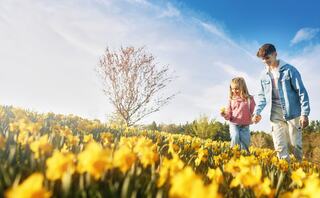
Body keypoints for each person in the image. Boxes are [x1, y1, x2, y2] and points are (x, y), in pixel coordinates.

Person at [252, 43, 310, 161]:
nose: (265, 61)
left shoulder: (290, 70)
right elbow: (262, 96)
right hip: (275, 115)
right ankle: (286, 174)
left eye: (267, 58)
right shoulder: (263, 75)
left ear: (275, 54)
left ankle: (299, 170)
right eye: (263, 59)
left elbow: (302, 92)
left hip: (293, 112)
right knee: (279, 146)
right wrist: (257, 112)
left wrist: (304, 113)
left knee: (296, 146)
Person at [221, 77, 255, 151]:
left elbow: (252, 112)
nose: (234, 91)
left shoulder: (250, 99)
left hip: (245, 125)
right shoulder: (232, 99)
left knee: (245, 142)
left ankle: (244, 156)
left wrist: (254, 117)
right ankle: (233, 153)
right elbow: (229, 113)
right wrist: (225, 115)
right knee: (235, 136)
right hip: (234, 124)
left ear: (243, 88)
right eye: (232, 89)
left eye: (236, 89)